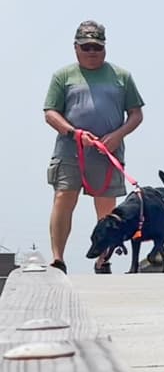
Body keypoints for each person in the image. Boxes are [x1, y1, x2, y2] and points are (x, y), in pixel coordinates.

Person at [42, 20, 146, 274]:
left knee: (106, 207)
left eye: (96, 48)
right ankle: (58, 258)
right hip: (71, 150)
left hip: (107, 152)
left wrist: (118, 135)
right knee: (63, 198)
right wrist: (74, 132)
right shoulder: (63, 76)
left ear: (105, 49)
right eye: (86, 47)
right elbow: (50, 113)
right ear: (76, 47)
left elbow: (136, 114)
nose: (92, 52)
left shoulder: (121, 76)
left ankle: (103, 258)